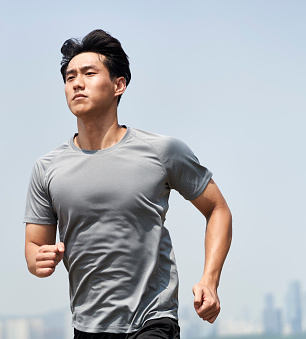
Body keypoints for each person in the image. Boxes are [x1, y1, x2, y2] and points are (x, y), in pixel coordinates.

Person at [24, 29, 232, 339]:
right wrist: (37, 261)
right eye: (69, 78)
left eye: (89, 73)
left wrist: (210, 281)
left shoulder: (162, 151)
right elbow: (34, 246)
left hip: (153, 320)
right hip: (88, 326)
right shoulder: (46, 169)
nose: (77, 83)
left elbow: (217, 209)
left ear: (118, 84)